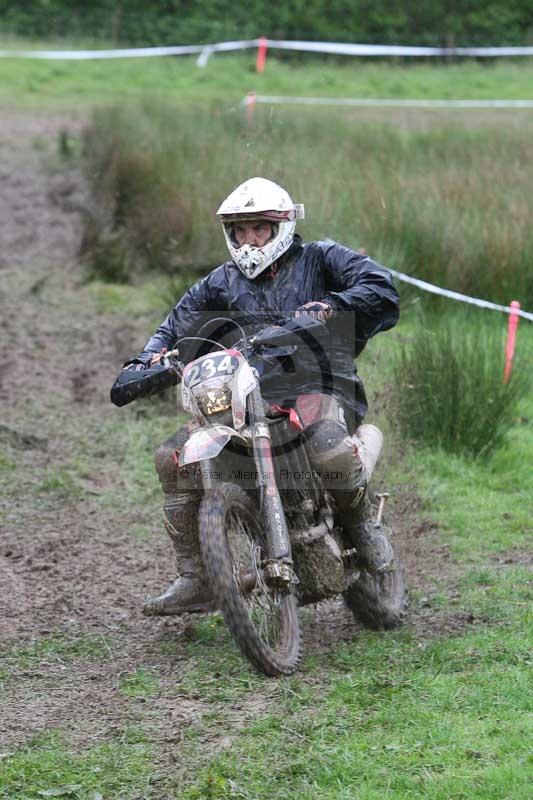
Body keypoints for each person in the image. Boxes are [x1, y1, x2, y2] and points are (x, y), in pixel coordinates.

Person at [111, 177, 400, 616]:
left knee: (329, 452)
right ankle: (196, 577)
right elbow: (173, 330)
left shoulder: (319, 259)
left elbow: (380, 287)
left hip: (317, 386)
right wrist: (148, 360)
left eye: (258, 230)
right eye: (240, 231)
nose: (248, 240)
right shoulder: (218, 283)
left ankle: (363, 529)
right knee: (173, 457)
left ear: (280, 227)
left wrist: (329, 306)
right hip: (243, 396)